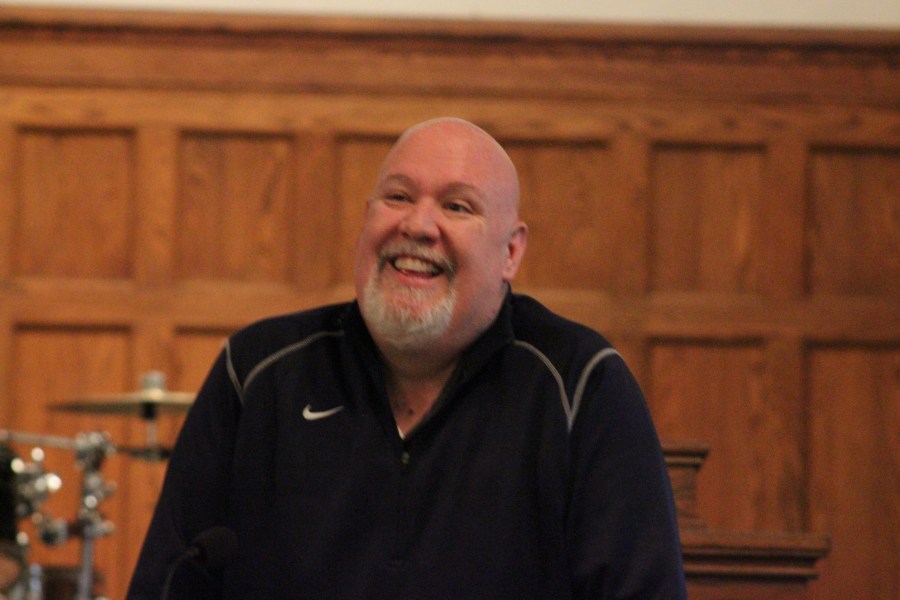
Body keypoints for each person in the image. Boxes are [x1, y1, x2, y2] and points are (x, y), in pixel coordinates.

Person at [127, 118, 686, 599]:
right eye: (397, 198)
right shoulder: (258, 375)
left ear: (511, 251)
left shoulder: (580, 386)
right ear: (367, 219)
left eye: (457, 206)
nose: (417, 225)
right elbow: (168, 583)